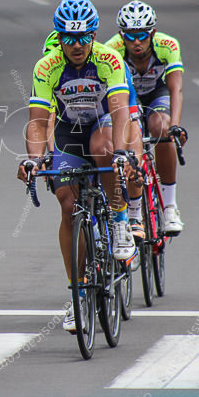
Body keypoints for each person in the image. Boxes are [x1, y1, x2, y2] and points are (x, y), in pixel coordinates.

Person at [17, 0, 136, 333]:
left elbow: (120, 111)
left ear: (94, 34)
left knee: (104, 149)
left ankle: (119, 217)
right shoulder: (47, 65)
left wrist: (124, 152)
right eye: (69, 38)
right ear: (58, 37)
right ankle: (77, 292)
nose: (77, 45)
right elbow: (39, 123)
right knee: (67, 204)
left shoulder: (109, 59)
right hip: (70, 132)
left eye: (84, 37)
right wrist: (34, 159)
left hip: (101, 125)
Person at [45, 30, 144, 245]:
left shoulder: (110, 65)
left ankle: (130, 215)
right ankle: (94, 238)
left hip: (109, 122)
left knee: (122, 161)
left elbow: (129, 119)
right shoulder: (52, 74)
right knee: (72, 197)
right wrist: (50, 156)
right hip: (74, 131)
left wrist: (132, 158)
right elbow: (48, 121)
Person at [104, 0, 187, 235]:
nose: (136, 42)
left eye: (142, 35)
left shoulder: (167, 45)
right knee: (131, 142)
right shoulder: (112, 50)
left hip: (156, 94)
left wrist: (175, 125)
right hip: (128, 97)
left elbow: (176, 90)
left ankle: (170, 206)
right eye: (130, 36)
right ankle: (135, 211)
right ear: (122, 35)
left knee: (160, 128)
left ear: (152, 32)